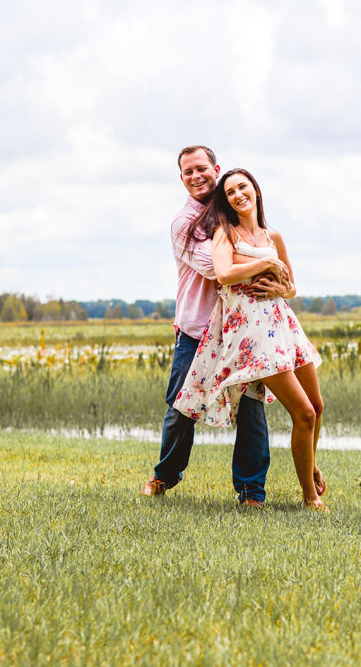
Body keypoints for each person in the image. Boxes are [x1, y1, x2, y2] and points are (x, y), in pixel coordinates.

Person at [172, 168, 328, 511]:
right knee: (303, 414)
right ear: (226, 201)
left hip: (283, 323)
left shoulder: (274, 236)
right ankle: (309, 497)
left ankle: (311, 463)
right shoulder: (224, 233)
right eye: (229, 192)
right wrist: (265, 264)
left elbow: (291, 286)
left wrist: (280, 285)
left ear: (255, 190)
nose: (237, 194)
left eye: (243, 187)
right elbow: (225, 274)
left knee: (317, 407)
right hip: (252, 332)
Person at [140, 146, 281, 508]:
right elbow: (218, 269)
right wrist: (265, 258)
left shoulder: (233, 210)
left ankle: (252, 492)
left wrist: (274, 272)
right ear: (182, 179)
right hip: (196, 327)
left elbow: (257, 256)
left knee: (251, 407)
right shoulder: (183, 225)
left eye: (201, 168)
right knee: (181, 408)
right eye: (187, 172)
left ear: (215, 169)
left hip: (240, 329)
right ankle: (164, 476)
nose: (195, 176)